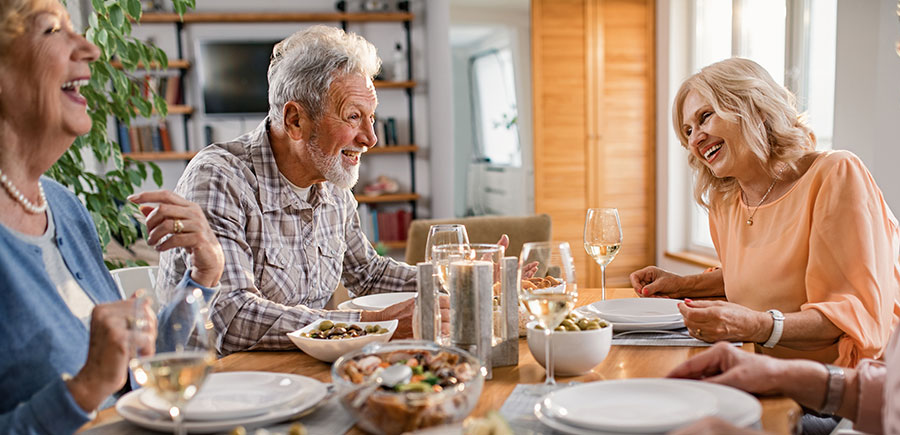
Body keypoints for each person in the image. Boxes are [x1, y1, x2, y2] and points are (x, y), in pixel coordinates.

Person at [669, 0, 900, 433]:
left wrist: (760, 332)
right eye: (686, 130)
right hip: (816, 386)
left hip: (831, 405)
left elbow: (865, 329)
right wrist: (776, 372)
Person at [158, 26, 514, 355]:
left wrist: (457, 277)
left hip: (299, 373)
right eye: (353, 117)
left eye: (371, 117)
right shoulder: (220, 179)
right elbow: (231, 319)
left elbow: (368, 274)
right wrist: (373, 326)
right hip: (217, 385)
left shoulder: (331, 181)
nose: (370, 138)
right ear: (295, 120)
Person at [0, 0, 225, 432]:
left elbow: (145, 364)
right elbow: (98, 381)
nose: (90, 48)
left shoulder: (63, 206)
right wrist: (81, 391)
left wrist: (204, 273)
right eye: (51, 30)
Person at [629, 58, 900, 367]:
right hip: (755, 365)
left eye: (705, 117)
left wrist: (757, 326)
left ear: (754, 108)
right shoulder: (726, 201)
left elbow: (852, 316)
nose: (694, 139)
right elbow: (761, 279)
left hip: (834, 383)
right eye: (688, 131)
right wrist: (682, 285)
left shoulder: (835, 175)